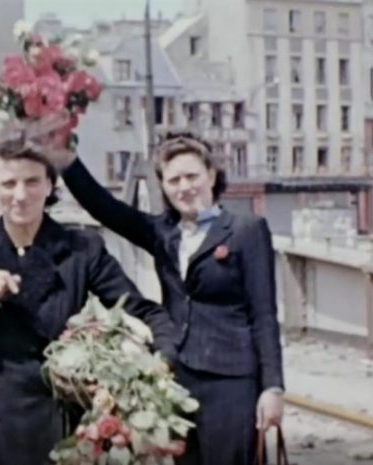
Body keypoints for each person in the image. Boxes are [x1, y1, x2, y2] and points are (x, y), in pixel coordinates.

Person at [0, 123, 178, 465]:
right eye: (8, 183)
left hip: (73, 430)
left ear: (49, 185)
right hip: (4, 433)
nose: (21, 194)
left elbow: (142, 311)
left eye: (32, 181)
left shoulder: (81, 250)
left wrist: (161, 363)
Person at [36, 129, 284, 465]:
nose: (184, 187)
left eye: (192, 176)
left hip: (232, 382)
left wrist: (272, 388)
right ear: (164, 186)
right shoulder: (162, 232)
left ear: (211, 175)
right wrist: (64, 157)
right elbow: (105, 209)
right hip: (176, 380)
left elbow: (264, 314)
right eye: (174, 180)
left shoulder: (246, 230)